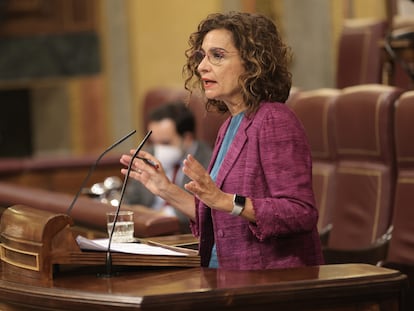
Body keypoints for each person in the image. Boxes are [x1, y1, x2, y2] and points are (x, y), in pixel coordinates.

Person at [120, 11, 324, 270]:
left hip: (270, 281)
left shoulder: (274, 119)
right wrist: (165, 189)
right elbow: (216, 214)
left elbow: (300, 212)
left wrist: (227, 200)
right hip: (225, 275)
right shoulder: (230, 124)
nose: (202, 66)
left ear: (252, 64)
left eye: (217, 56)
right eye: (201, 56)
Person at [124, 101, 212, 233]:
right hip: (146, 232)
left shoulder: (209, 160)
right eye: (154, 142)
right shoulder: (148, 154)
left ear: (187, 138)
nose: (158, 149)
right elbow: (129, 202)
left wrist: (156, 215)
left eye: (165, 142)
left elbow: (200, 211)